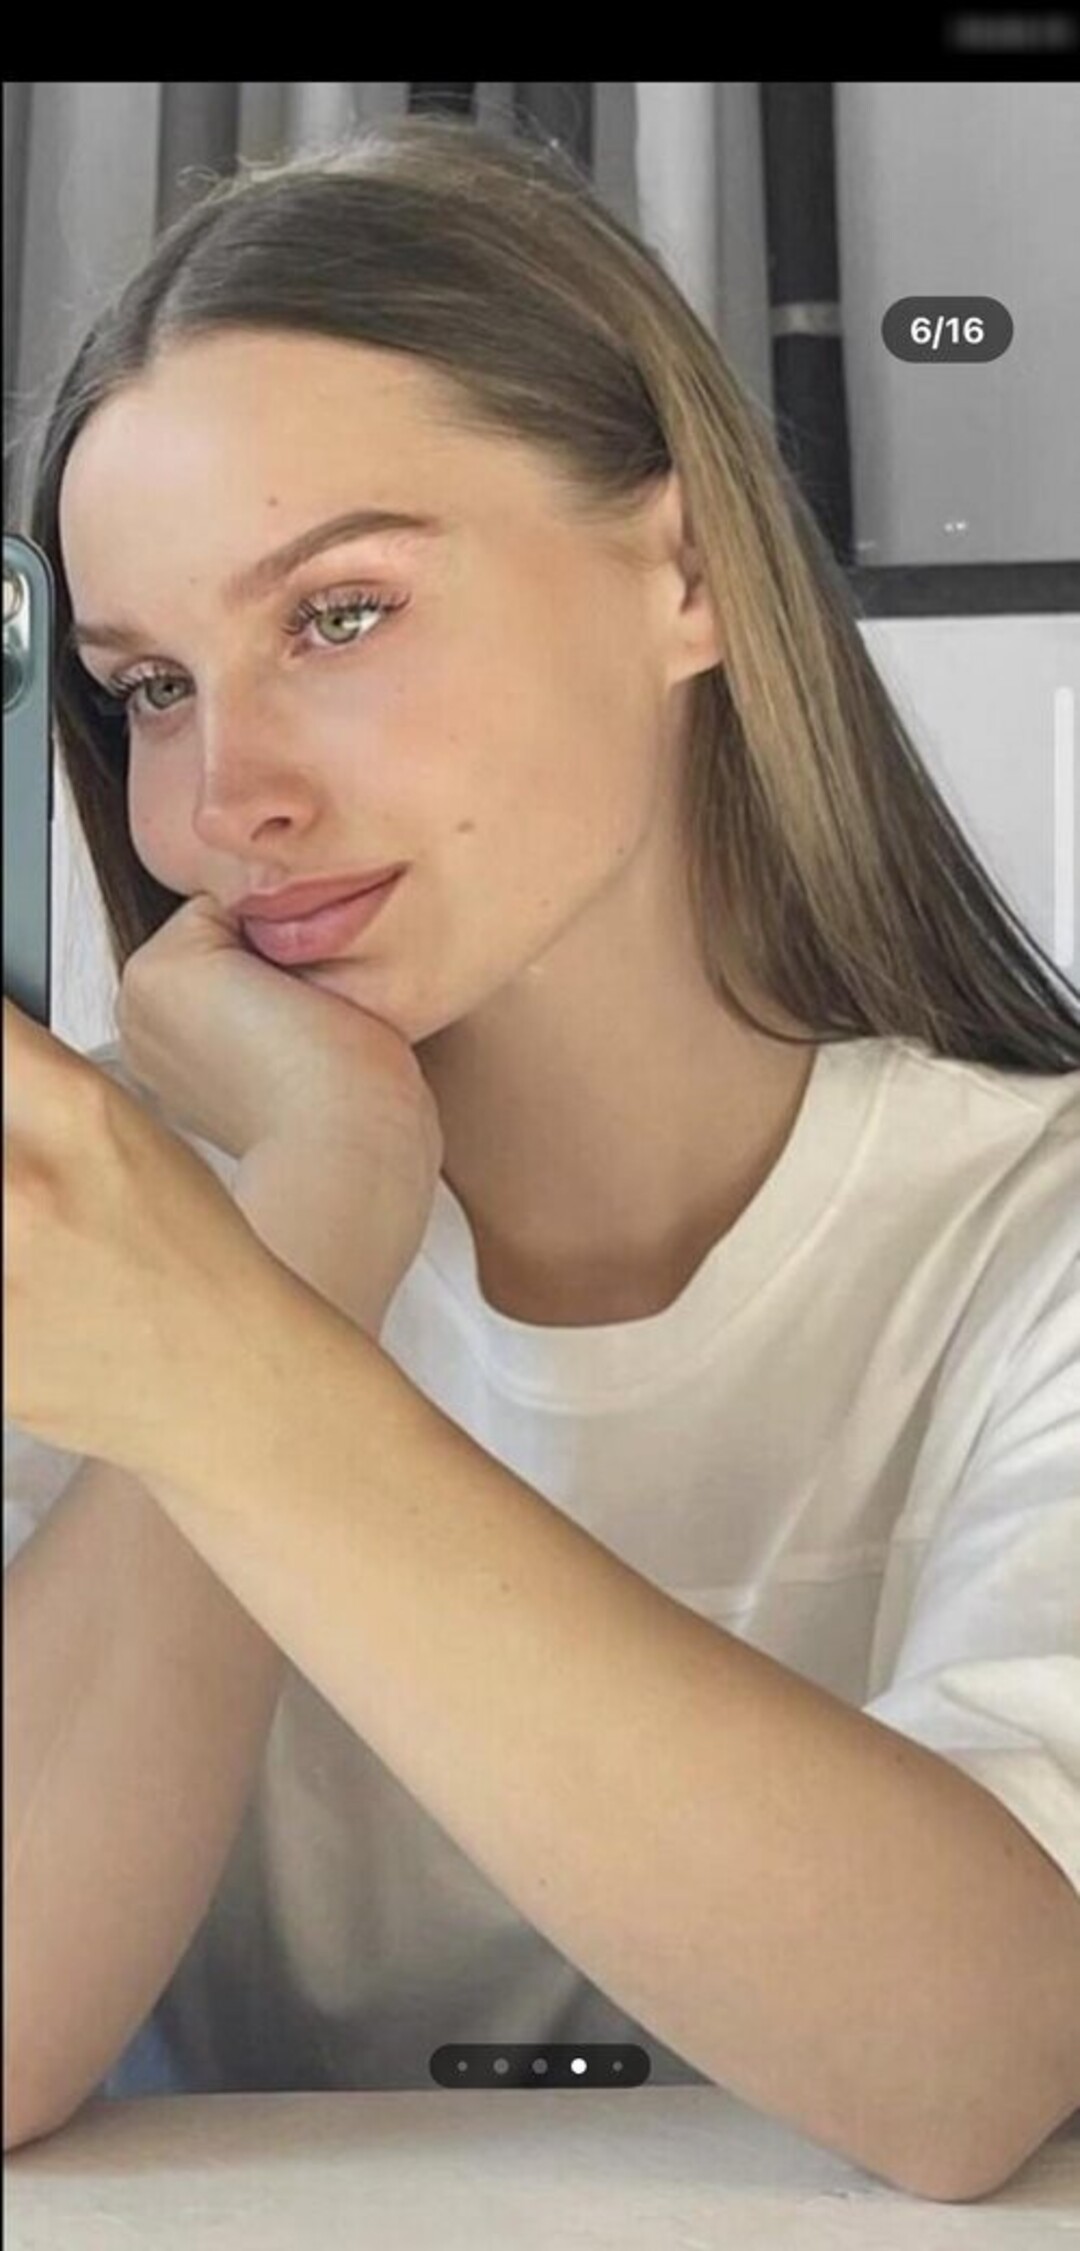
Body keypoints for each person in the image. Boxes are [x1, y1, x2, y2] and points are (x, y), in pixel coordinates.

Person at [5, 117, 1079, 2187]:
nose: (225, 801)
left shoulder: (1027, 1239)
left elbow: (969, 2057)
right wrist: (313, 1214)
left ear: (687, 575)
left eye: (339, 615)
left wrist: (235, 1359)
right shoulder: (93, 1231)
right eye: (148, 688)